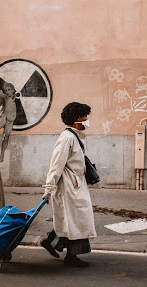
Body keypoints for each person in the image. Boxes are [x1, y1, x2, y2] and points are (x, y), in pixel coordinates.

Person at [40, 102, 96, 267]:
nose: (87, 120)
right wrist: (49, 189)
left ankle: (52, 243)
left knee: (74, 221)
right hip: (68, 187)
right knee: (75, 221)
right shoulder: (67, 138)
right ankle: (70, 256)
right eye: (84, 117)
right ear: (76, 119)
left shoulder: (75, 136)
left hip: (76, 185)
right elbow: (56, 165)